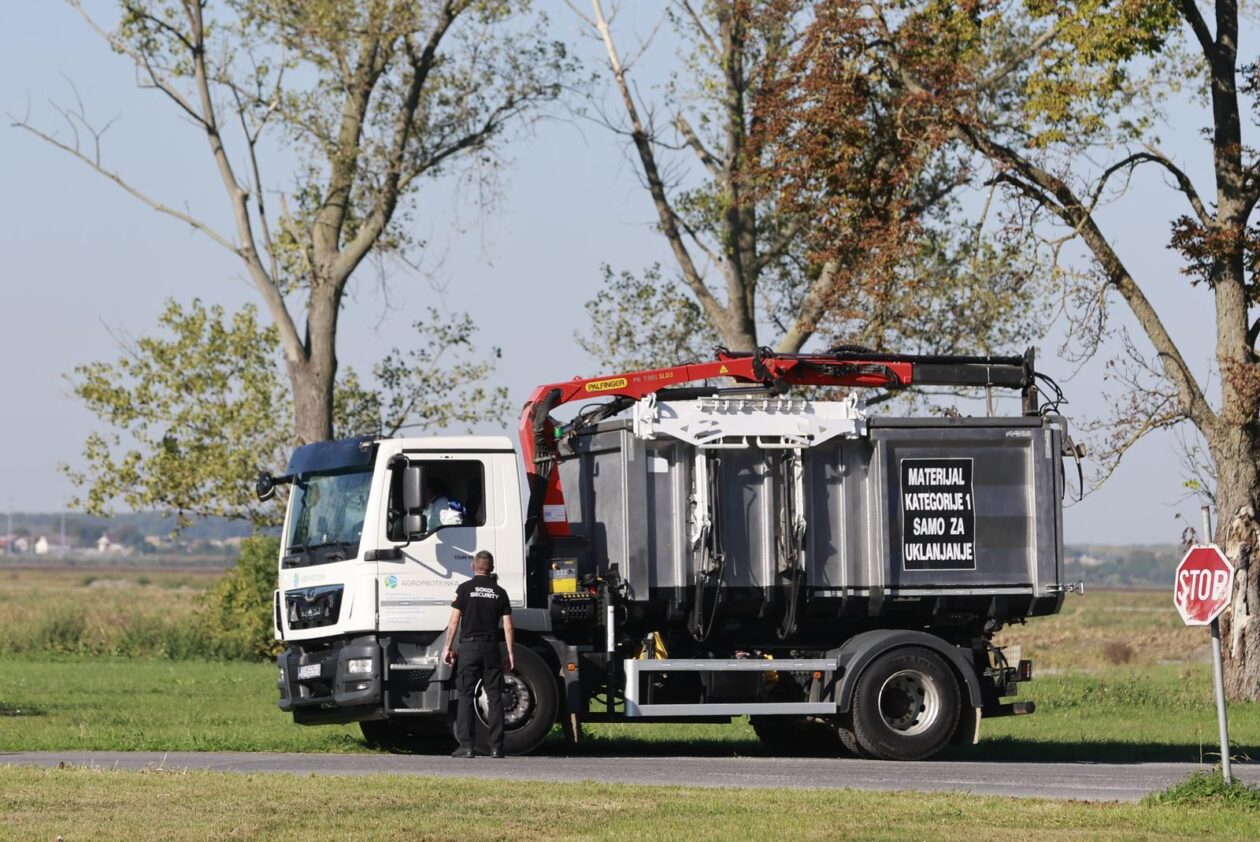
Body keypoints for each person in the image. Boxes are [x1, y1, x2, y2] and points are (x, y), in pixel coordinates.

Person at [443, 550, 515, 758]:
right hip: (491, 648)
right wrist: (510, 653)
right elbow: (508, 626)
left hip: (469, 649)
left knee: (465, 694)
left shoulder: (464, 589)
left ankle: (466, 746)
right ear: (492, 569)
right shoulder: (500, 592)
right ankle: (496, 747)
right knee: (494, 696)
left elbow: (454, 621)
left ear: (473, 567)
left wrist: (448, 647)